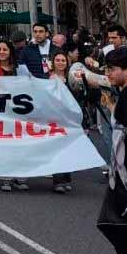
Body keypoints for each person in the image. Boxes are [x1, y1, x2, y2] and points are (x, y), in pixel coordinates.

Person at [0, 39, 28, 192]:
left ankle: (20, 176)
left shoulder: (19, 69)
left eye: (5, 49)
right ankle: (5, 178)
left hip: (17, 113)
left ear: (10, 52)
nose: (2, 52)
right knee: (4, 145)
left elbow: (29, 85)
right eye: (0, 49)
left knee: (19, 145)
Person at [97, 46, 127, 254]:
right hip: (120, 174)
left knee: (115, 226)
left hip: (126, 177)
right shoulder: (124, 95)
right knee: (111, 223)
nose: (108, 73)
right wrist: (110, 106)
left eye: (112, 69)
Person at [49, 50, 76, 194]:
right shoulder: (49, 79)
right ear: (53, 62)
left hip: (70, 119)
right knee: (57, 149)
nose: (60, 62)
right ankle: (58, 181)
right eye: (57, 60)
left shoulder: (72, 78)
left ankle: (66, 179)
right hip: (55, 119)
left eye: (63, 60)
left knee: (68, 149)